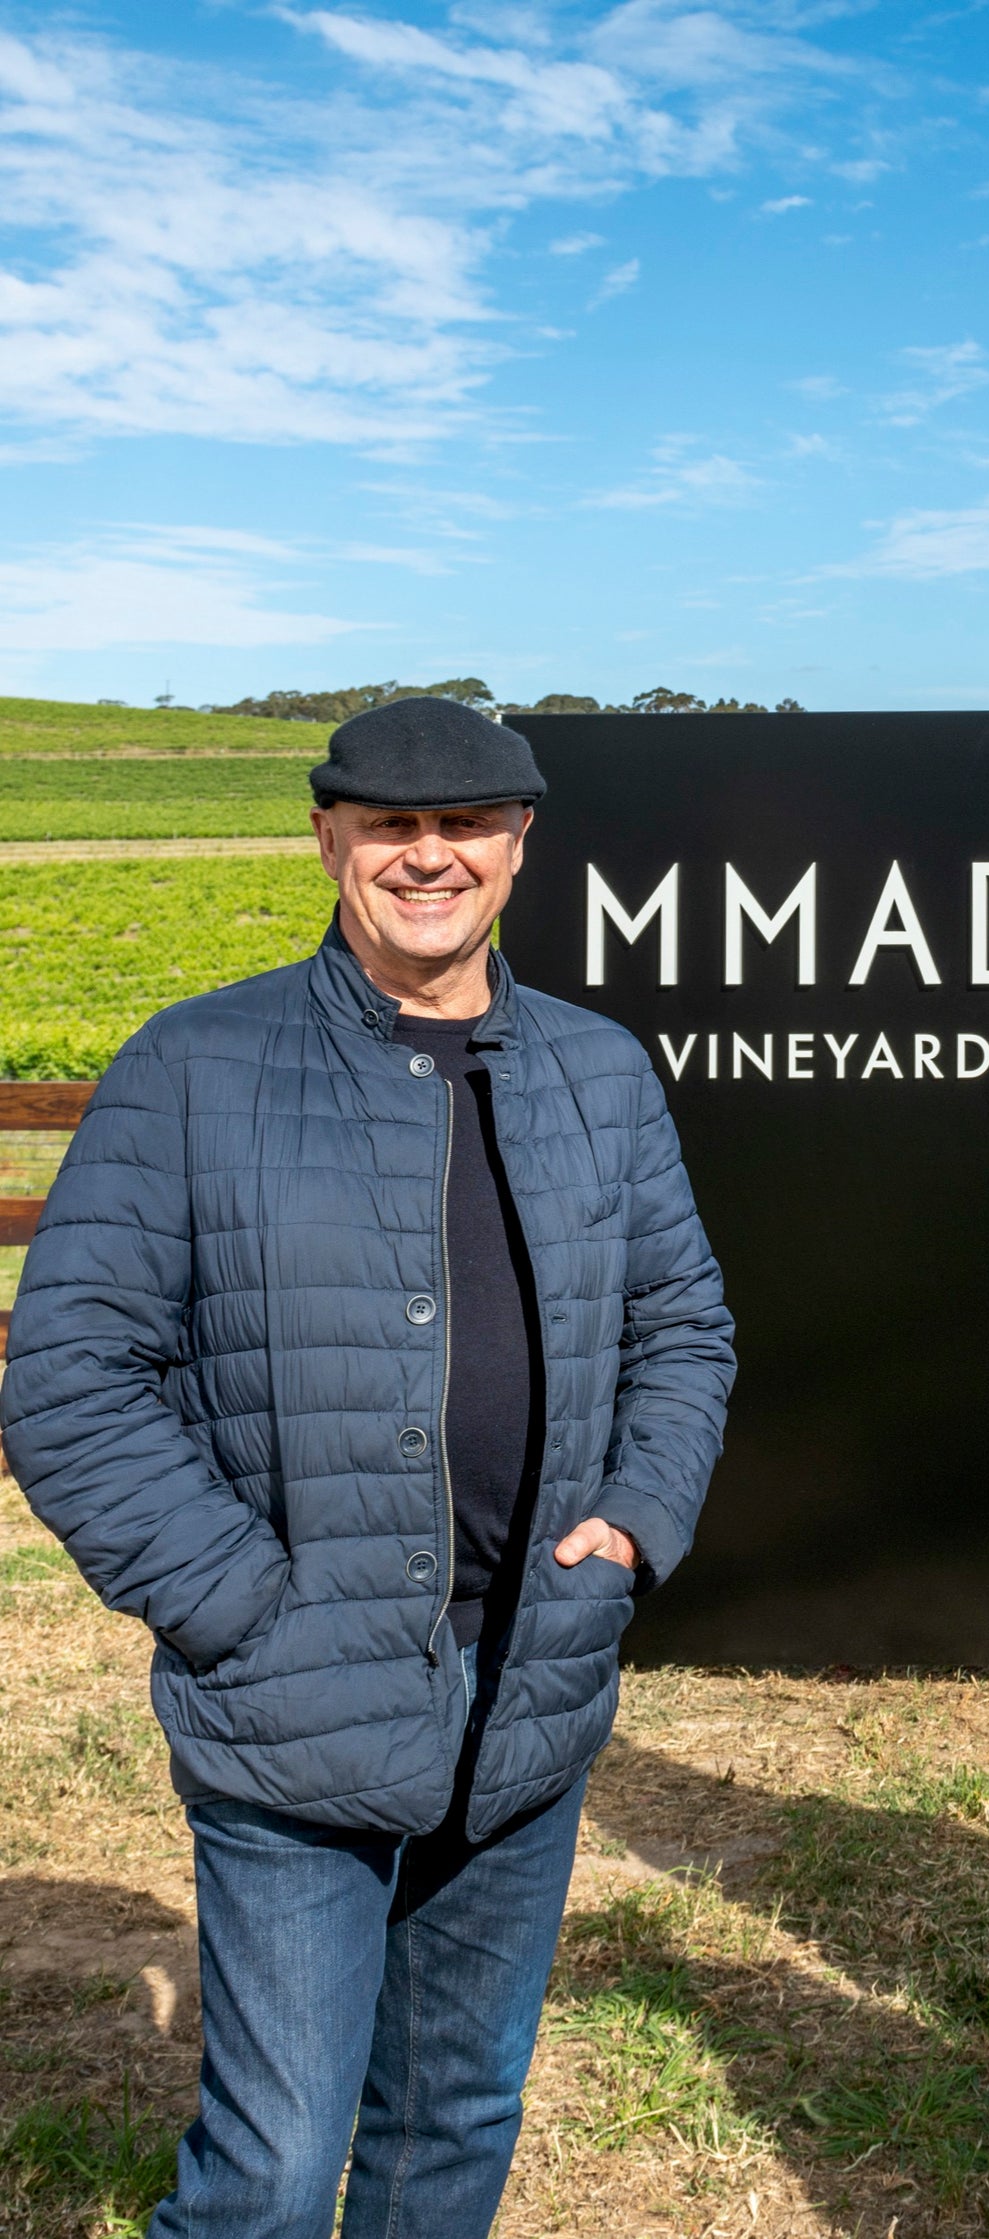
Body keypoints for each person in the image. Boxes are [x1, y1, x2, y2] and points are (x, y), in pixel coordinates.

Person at [0, 697, 736, 2239]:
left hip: (531, 1679)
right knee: (270, 2169)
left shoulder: (599, 1073)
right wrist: (240, 1609)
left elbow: (684, 1327)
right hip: (296, 1696)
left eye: (465, 823)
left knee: (453, 2124)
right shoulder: (196, 1067)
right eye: (391, 824)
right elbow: (70, 1379)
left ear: (519, 845)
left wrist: (636, 1522)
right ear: (329, 837)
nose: (429, 855)